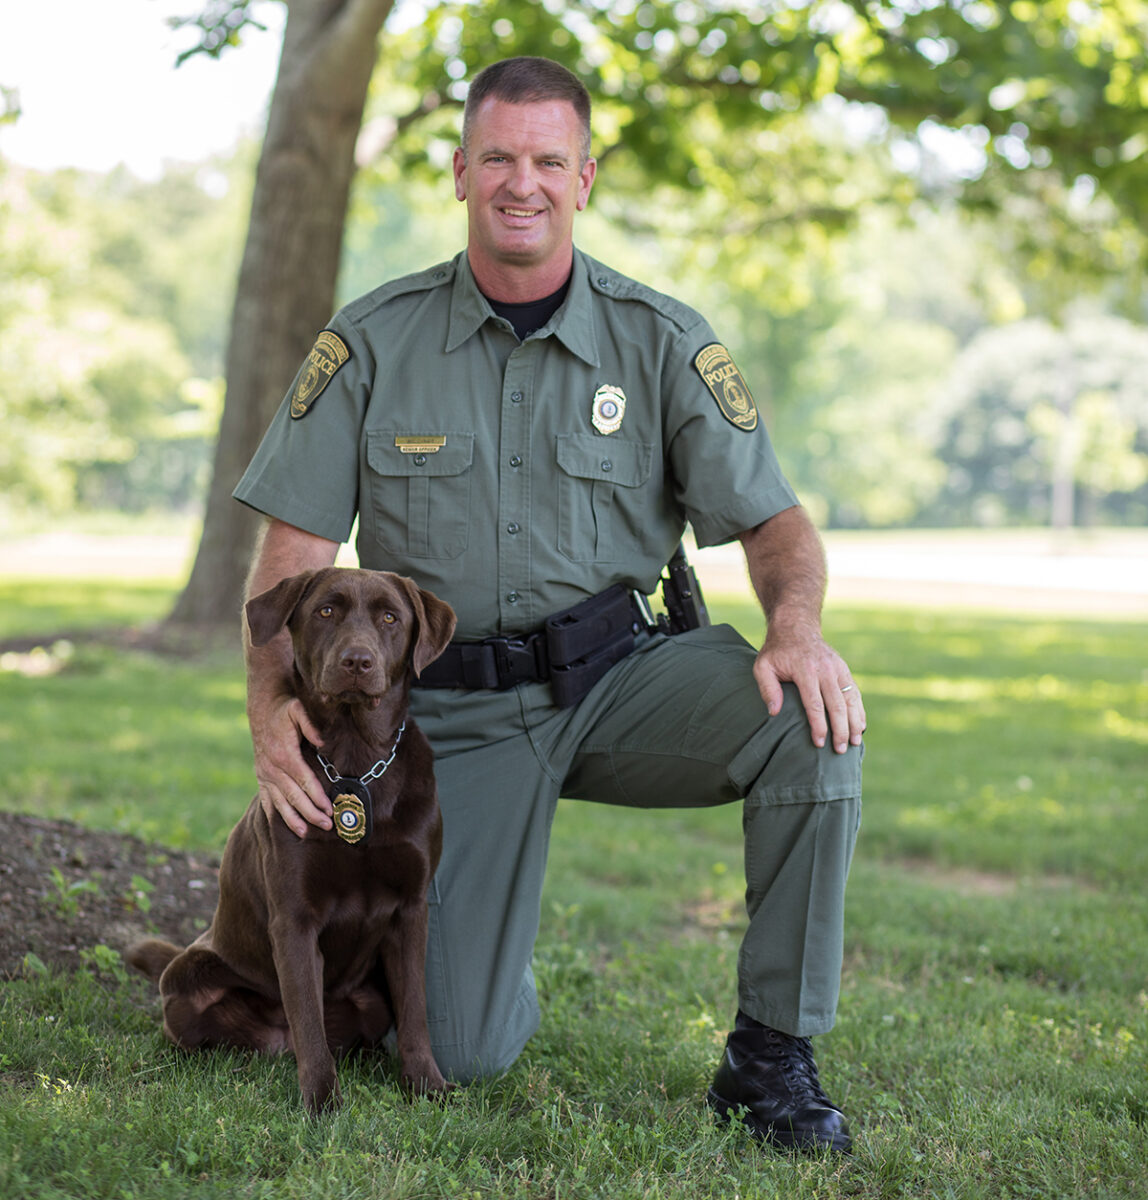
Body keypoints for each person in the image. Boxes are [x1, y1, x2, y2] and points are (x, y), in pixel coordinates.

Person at [234, 56, 865, 1153]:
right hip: (447, 720)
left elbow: (774, 523)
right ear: (459, 170)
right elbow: (292, 550)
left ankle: (770, 1057)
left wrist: (795, 631)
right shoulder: (374, 338)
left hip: (626, 679)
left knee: (810, 726)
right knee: (463, 1048)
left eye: (546, 161)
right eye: (496, 158)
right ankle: (425, 940)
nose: (519, 182)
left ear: (583, 179)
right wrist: (266, 714)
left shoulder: (661, 339)